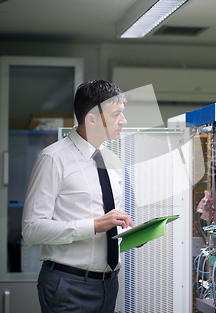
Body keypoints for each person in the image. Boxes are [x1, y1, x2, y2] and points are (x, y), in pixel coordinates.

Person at [22, 80, 134, 313]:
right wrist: (93, 226)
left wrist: (131, 235)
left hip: (109, 284)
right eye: (116, 115)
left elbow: (110, 226)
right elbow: (31, 230)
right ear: (92, 119)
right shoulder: (53, 158)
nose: (123, 121)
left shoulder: (113, 161)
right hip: (68, 285)